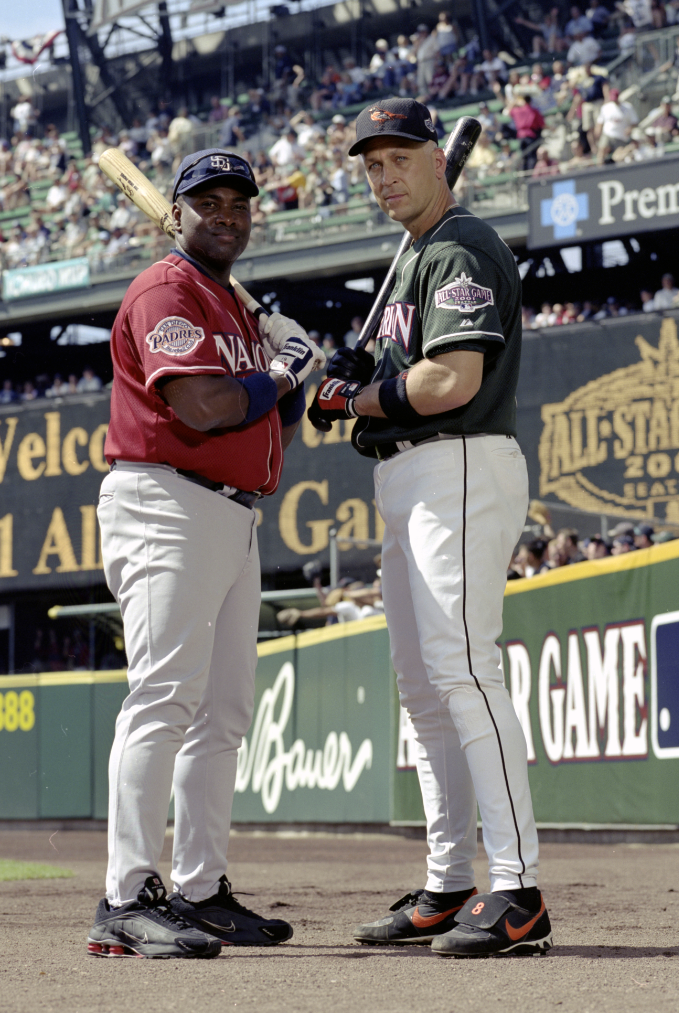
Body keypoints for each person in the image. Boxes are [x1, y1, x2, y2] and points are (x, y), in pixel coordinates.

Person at [308, 98, 551, 957]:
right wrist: (356, 374)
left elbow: (450, 378)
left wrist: (357, 397)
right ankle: (450, 879)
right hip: (408, 470)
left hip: (456, 456)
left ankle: (517, 887)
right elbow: (403, 371)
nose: (384, 177)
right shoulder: (417, 255)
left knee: (465, 672)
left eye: (399, 158)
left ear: (435, 159)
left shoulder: (458, 245)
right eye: (371, 165)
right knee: (424, 687)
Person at [90, 148, 324, 960]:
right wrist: (283, 370)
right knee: (163, 698)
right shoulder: (169, 289)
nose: (227, 212)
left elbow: (268, 428)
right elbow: (205, 405)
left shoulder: (234, 306)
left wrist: (289, 369)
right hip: (165, 497)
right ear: (180, 211)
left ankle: (199, 888)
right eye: (209, 200)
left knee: (221, 714)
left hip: (234, 512)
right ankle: (124, 896)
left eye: (239, 201)